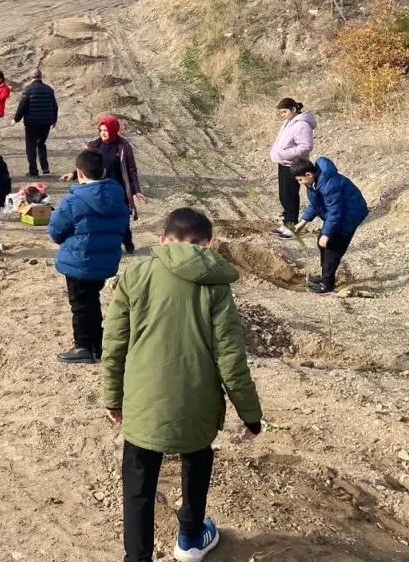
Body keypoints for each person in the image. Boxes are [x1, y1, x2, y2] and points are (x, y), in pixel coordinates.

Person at [102, 207, 263, 562]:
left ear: (162, 241)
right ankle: (190, 538)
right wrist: (251, 415)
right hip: (198, 402)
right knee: (197, 458)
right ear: (208, 244)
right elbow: (231, 359)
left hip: (143, 401)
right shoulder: (216, 287)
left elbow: (113, 346)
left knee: (138, 479)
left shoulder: (135, 276)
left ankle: (138, 557)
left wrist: (113, 398)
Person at [50, 149, 132, 364]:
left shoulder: (72, 201)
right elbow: (123, 227)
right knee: (91, 300)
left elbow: (56, 230)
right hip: (105, 259)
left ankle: (83, 347)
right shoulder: (118, 197)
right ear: (103, 171)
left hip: (79, 259)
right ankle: (97, 344)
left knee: (80, 304)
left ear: (79, 172)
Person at [289, 157, 369, 294]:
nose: (300, 183)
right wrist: (303, 222)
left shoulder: (328, 185)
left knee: (332, 246)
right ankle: (325, 276)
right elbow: (317, 203)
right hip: (339, 213)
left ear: (308, 174)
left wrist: (326, 234)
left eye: (300, 179)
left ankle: (328, 284)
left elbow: (336, 212)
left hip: (349, 215)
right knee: (322, 243)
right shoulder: (314, 182)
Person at [65, 116, 145, 251]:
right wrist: (73, 174)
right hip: (99, 189)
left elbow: (132, 170)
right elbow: (87, 164)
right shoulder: (94, 145)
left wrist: (136, 190)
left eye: (106, 130)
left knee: (121, 218)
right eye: (101, 130)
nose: (103, 133)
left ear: (114, 130)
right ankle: (108, 245)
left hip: (118, 190)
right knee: (101, 218)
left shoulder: (123, 146)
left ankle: (127, 242)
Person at [270, 98, 316, 239]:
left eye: (284, 111)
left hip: (293, 165)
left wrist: (281, 154)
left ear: (294, 109)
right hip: (284, 163)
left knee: (290, 195)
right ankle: (286, 223)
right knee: (284, 195)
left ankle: (292, 226)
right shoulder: (289, 122)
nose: (282, 115)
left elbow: (305, 146)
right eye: (281, 112)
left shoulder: (302, 125)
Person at [13, 69, 59, 177]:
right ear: (41, 77)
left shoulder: (28, 90)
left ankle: (33, 171)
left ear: (30, 78)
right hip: (46, 123)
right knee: (41, 144)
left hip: (31, 123)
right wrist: (54, 120)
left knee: (31, 146)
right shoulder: (49, 90)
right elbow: (54, 106)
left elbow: (22, 106)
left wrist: (16, 119)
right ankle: (45, 167)